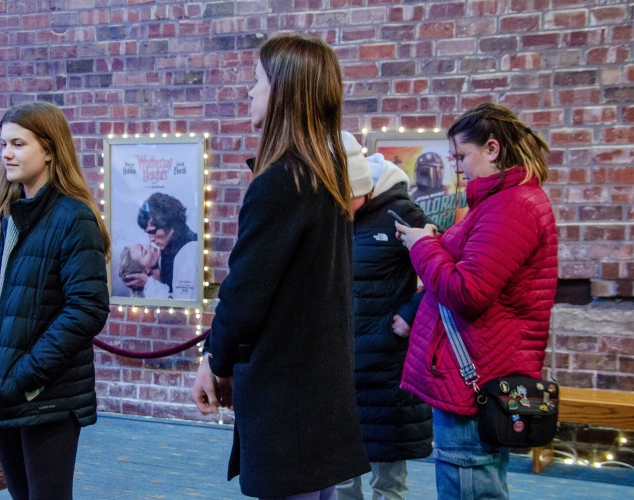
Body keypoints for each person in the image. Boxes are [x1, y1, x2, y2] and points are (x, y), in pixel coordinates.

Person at [191, 33, 370, 499]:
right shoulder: (322, 176)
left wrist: (214, 359)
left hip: (287, 396)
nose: (249, 93)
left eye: (257, 82)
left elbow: (247, 290)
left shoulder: (282, 181)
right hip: (314, 393)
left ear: (285, 92)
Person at [395, 103, 558, 499]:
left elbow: (468, 291)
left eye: (461, 156)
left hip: (476, 376)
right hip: (473, 369)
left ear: (492, 149)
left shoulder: (513, 207)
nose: (458, 168)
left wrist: (422, 246)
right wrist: (434, 243)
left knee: (469, 481)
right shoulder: (501, 202)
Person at [0, 101, 110, 500]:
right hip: (7, 389)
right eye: (3, 143)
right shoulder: (11, 215)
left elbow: (87, 308)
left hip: (46, 393)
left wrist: (26, 375)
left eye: (18, 143)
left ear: (48, 149)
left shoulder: (73, 216)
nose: (6, 153)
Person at [335, 133, 433, 500]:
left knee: (388, 479)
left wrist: (410, 314)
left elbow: (443, 275)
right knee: (341, 474)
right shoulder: (331, 212)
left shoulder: (403, 213)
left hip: (387, 364)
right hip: (340, 364)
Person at [123, 192, 198, 299]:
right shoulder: (166, 250)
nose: (151, 239)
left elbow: (181, 306)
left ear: (170, 224)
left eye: (153, 231)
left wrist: (149, 284)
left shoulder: (189, 252)